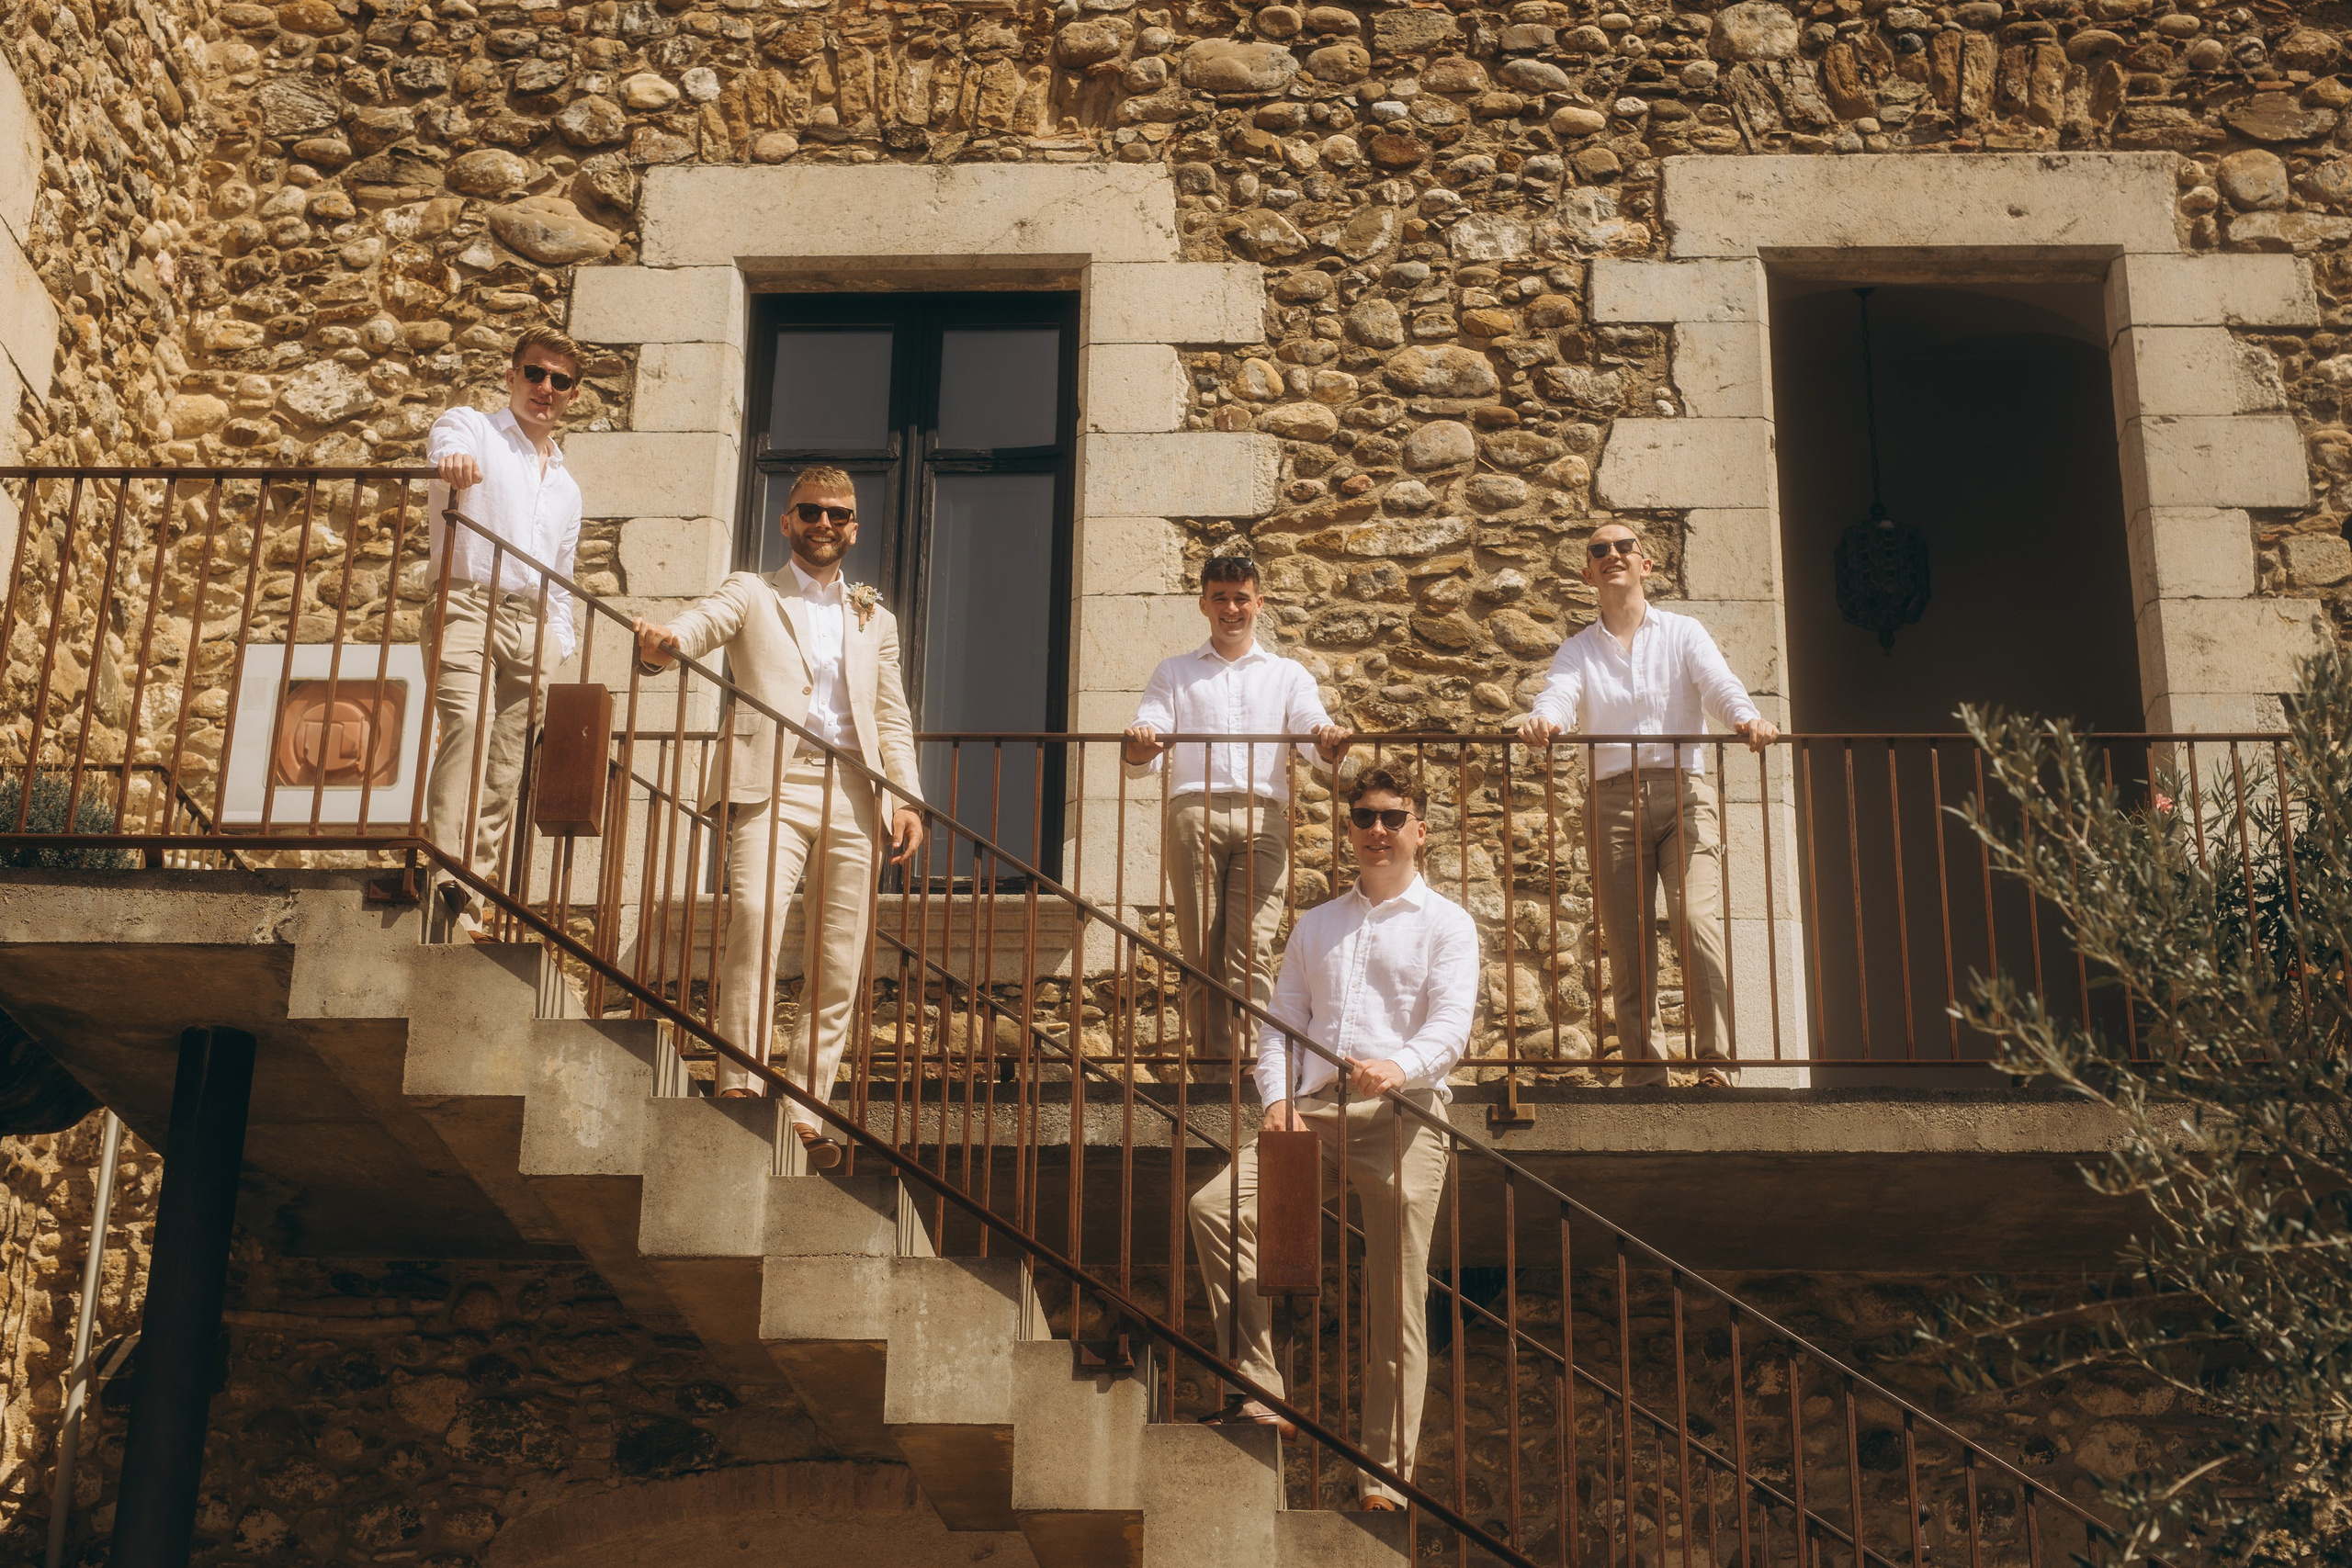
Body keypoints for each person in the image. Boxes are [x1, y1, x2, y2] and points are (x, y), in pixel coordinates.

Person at [1186, 765, 1476, 1512]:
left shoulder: (1447, 923)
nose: (1376, 830)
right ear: (1349, 829)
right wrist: (1277, 1103)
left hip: (1405, 1118)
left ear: (1420, 829)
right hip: (1312, 1114)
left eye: (1391, 817)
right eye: (1363, 817)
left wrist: (1399, 1065)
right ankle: (1258, 1387)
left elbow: (1450, 1026)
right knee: (1216, 1207)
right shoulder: (1316, 924)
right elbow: (1279, 1024)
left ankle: (1383, 1478)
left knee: (1396, 1296)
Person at [631, 466, 925, 1168]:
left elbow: (891, 712)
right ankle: (738, 1081)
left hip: (855, 791)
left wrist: (907, 796)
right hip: (773, 780)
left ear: (854, 528)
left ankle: (803, 1111)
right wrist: (665, 640)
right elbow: (702, 624)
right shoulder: (752, 590)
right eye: (811, 511)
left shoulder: (872, 615)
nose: (825, 524)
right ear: (787, 521)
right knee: (757, 915)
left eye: (839, 515)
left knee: (838, 958)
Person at [1516, 522, 1779, 1088]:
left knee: (1693, 918)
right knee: (1627, 935)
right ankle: (1644, 1073)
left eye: (1624, 547)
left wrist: (1745, 718)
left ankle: (1715, 1065)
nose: (1612, 555)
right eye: (1599, 550)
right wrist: (1549, 720)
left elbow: (1717, 683)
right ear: (1588, 573)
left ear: (1646, 565)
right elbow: (1559, 693)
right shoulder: (1577, 650)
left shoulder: (1683, 633)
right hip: (1611, 801)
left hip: (1684, 792)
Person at [1123, 555, 1350, 1081]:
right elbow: (1149, 734)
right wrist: (1139, 742)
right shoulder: (1174, 671)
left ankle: (1255, 1072)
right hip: (1193, 813)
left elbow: (1312, 725)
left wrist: (1328, 738)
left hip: (1263, 815)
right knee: (1202, 949)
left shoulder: (1288, 674)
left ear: (1259, 604)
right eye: (1220, 598)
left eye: (1241, 597)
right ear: (1204, 604)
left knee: (1252, 949)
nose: (1231, 608)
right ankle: (1211, 1074)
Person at [423, 325, 588, 931]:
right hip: (467, 602)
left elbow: (562, 573)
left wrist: (560, 641)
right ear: (512, 375)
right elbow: (445, 440)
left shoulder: (567, 487)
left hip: (534, 627)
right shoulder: (475, 429)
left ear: (573, 394)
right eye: (535, 373)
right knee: (467, 721)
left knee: (506, 761)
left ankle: (470, 887)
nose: (545, 387)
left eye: (559, 380)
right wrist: (451, 463)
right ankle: (443, 865)